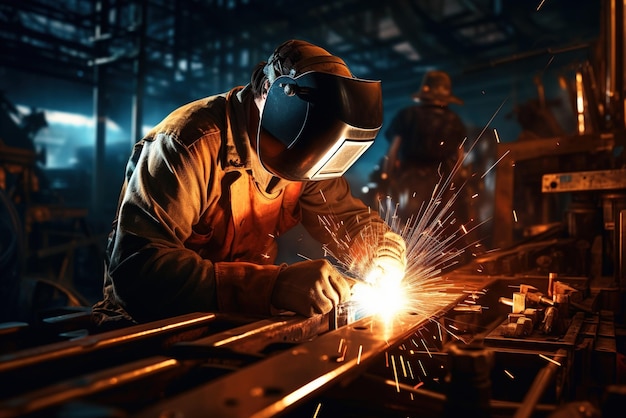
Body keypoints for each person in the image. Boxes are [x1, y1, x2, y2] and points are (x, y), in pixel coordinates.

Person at [92, 39, 406, 327]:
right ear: (269, 90)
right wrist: (273, 286)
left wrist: (382, 252)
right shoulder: (189, 143)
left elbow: (345, 219)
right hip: (150, 327)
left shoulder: (306, 146)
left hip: (238, 320)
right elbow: (138, 272)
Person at [376, 70, 468, 222]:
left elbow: (392, 151)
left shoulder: (408, 115)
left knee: (400, 221)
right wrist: (454, 183)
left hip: (409, 177)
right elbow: (460, 157)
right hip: (442, 178)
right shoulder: (454, 120)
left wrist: (386, 177)